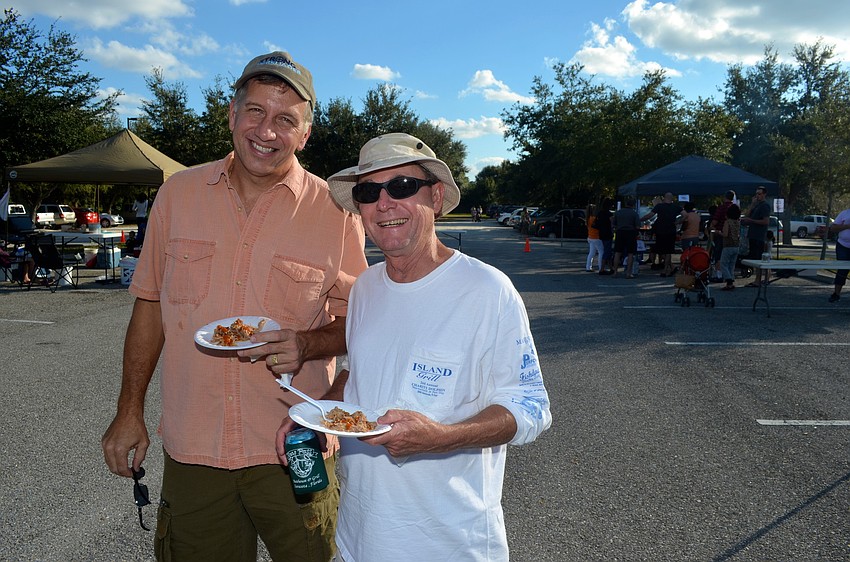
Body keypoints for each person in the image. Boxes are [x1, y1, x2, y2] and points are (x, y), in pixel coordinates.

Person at [100, 51, 368, 562]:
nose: (267, 130)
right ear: (231, 114)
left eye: (286, 119)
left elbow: (363, 321)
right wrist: (128, 410)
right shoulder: (178, 195)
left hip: (296, 444)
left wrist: (310, 343)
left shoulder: (336, 213)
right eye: (255, 112)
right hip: (195, 447)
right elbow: (150, 308)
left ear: (305, 134)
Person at [287, 132, 552, 561]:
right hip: (359, 539)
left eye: (402, 186)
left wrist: (440, 438)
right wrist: (316, 416)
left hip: (449, 545)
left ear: (436, 196)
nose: (384, 202)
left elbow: (531, 408)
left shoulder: (487, 291)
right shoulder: (366, 288)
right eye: (369, 192)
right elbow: (362, 376)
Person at [641, 192, 682, 277]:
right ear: (672, 198)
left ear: (664, 198)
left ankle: (667, 269)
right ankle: (666, 269)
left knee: (661, 250)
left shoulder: (659, 206)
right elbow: (685, 215)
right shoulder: (676, 207)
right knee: (668, 252)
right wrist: (677, 222)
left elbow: (650, 215)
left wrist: (640, 219)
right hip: (671, 231)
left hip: (661, 231)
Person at [741, 186, 770, 288]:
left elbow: (766, 221)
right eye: (756, 194)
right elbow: (746, 217)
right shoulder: (756, 205)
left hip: (759, 236)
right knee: (754, 257)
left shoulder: (765, 206)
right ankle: (760, 278)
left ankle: (759, 280)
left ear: (764, 194)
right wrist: (752, 204)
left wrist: (752, 221)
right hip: (752, 235)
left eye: (760, 194)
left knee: (758, 258)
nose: (758, 196)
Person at [613, 197, 640, 278]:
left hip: (620, 232)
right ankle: (628, 273)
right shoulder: (634, 213)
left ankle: (615, 272)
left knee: (617, 252)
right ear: (633, 205)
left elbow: (614, 224)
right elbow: (638, 226)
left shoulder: (618, 212)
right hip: (631, 233)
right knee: (630, 253)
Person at [710, 190, 736, 275]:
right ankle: (729, 275)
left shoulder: (721, 208)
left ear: (725, 197)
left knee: (719, 255)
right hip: (733, 237)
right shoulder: (736, 208)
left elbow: (715, 222)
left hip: (721, 235)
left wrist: (713, 228)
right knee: (730, 258)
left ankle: (719, 274)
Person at [828, 208, 850, 302]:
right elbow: (833, 228)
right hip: (843, 245)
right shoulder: (844, 213)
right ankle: (836, 294)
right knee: (842, 270)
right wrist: (846, 226)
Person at [719, 204, 741, 291]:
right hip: (736, 245)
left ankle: (729, 281)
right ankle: (731, 280)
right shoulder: (738, 222)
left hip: (728, 245)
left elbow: (725, 234)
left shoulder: (728, 222)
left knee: (723, 264)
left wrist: (718, 232)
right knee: (732, 265)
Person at [596, 197, 615, 274]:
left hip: (601, 233)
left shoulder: (600, 213)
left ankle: (611, 267)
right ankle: (602, 268)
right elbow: (612, 224)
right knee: (607, 251)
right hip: (608, 233)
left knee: (607, 251)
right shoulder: (609, 214)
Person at [585, 204, 603, 272]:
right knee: (601, 252)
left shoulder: (588, 218)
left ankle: (588, 267)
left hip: (590, 237)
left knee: (591, 253)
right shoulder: (594, 218)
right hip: (596, 237)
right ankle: (600, 267)